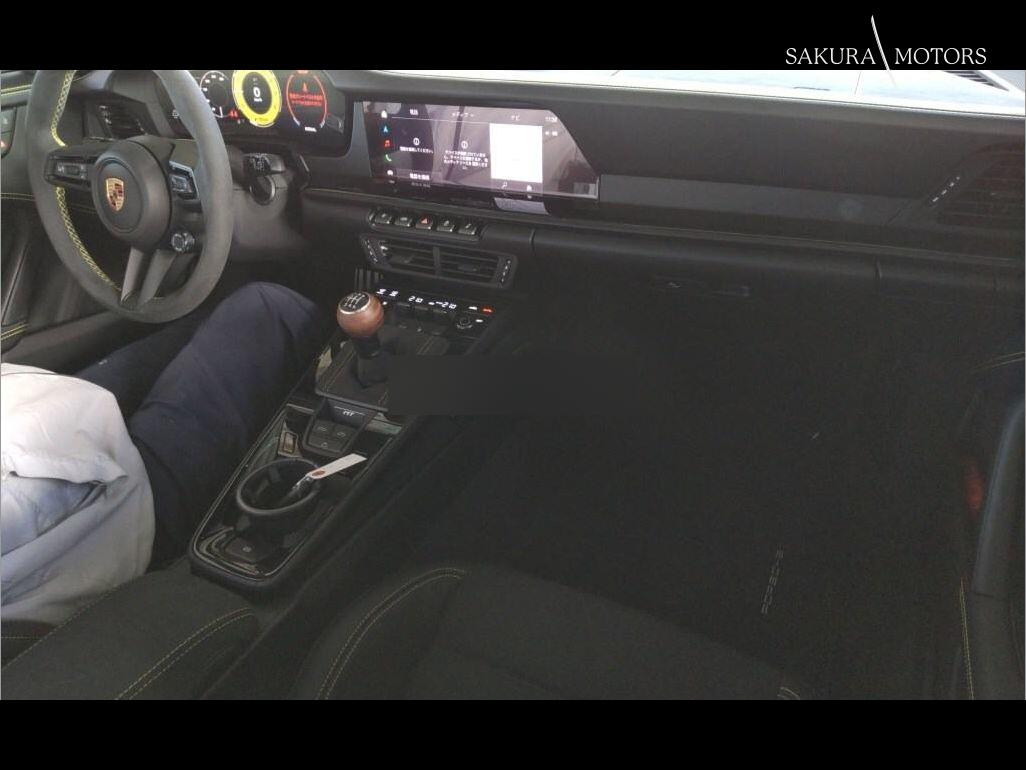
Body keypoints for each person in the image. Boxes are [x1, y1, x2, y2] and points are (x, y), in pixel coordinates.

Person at [1, 282, 328, 624]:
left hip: (43, 414)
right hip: (117, 511)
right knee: (268, 311)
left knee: (204, 318)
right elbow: (44, 494)